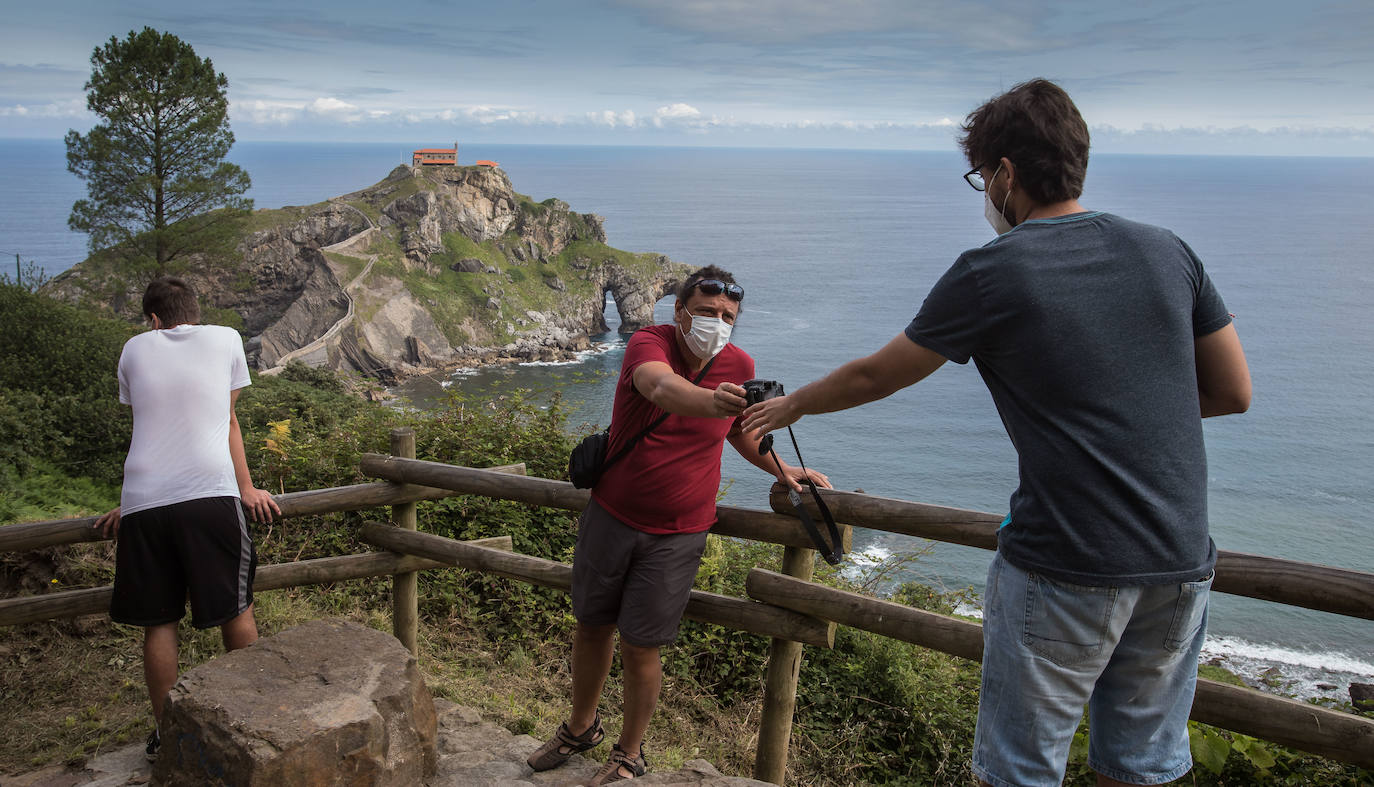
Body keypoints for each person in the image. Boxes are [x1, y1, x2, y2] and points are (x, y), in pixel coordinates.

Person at [740, 79, 1251, 787]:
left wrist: (791, 406)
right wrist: (1122, 408)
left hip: (1067, 559)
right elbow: (1232, 392)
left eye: (982, 177)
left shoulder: (993, 270)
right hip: (1179, 561)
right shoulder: (1170, 250)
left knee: (1018, 771)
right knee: (1138, 769)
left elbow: (877, 374)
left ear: (1006, 173)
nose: (984, 193)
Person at [527, 265, 830, 784]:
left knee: (641, 643)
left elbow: (740, 431)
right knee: (592, 626)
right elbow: (660, 387)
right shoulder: (650, 342)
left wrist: (784, 469)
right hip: (612, 514)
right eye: (707, 312)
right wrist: (711, 400)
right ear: (680, 311)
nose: (718, 323)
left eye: (728, 316)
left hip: (679, 530)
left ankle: (629, 752)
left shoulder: (739, 363)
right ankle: (580, 728)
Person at [94, 277, 280, 761]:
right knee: (235, 610)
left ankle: (166, 734)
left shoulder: (133, 349)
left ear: (153, 319)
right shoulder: (227, 338)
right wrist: (247, 488)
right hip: (209, 493)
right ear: (195, 312)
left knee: (160, 623)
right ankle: (252, 724)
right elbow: (226, 420)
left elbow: (151, 423)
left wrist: (133, 501)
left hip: (143, 500)